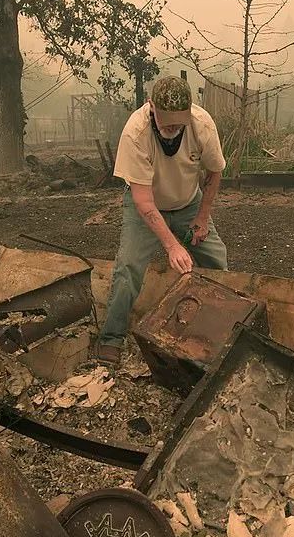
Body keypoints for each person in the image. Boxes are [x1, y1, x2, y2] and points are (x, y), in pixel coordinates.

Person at [92, 76, 228, 362]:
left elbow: (215, 172)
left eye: (179, 124)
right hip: (145, 204)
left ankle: (217, 329)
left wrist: (202, 217)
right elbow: (143, 201)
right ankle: (112, 338)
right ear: (152, 107)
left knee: (216, 257)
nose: (172, 129)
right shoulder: (135, 132)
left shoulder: (202, 125)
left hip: (188, 203)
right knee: (129, 265)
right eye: (167, 123)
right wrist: (172, 245)